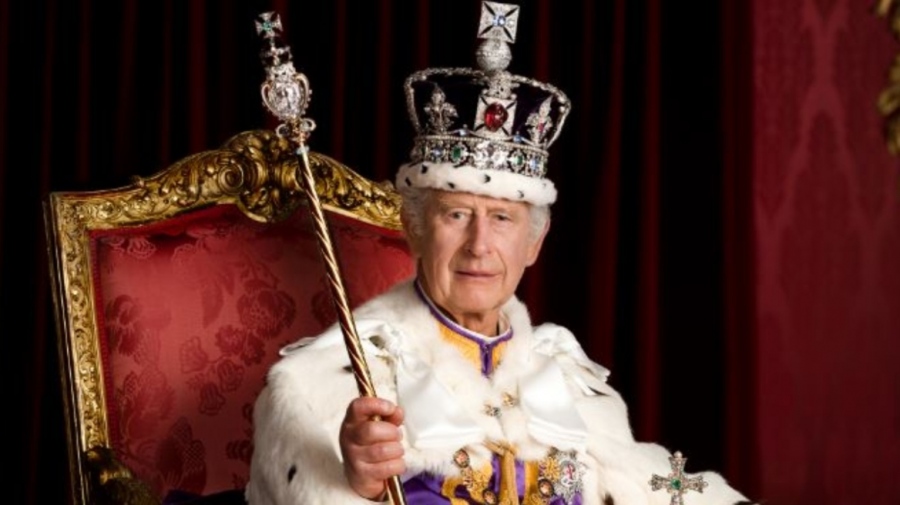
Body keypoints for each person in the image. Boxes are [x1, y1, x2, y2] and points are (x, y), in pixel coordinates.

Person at [246, 2, 753, 504]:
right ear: (414, 229)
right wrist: (357, 483)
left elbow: (649, 486)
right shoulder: (325, 383)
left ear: (534, 243)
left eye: (503, 219)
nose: (479, 245)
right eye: (456, 215)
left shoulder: (565, 376)